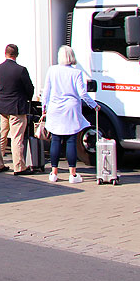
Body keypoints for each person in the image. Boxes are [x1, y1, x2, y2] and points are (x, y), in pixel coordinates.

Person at [42, 45, 99, 183]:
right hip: (71, 109)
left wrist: (44, 107)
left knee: (55, 140)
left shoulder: (52, 70)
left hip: (55, 108)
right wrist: (94, 105)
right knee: (71, 141)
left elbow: (46, 91)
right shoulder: (76, 73)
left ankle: (54, 173)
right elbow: (82, 94)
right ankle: (72, 174)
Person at [0, 43, 36, 175]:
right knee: (16, 137)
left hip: (3, 106)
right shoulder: (21, 70)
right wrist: (28, 98)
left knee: (1, 135)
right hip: (17, 107)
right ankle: (19, 167)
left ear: (5, 53)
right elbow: (29, 88)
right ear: (17, 54)